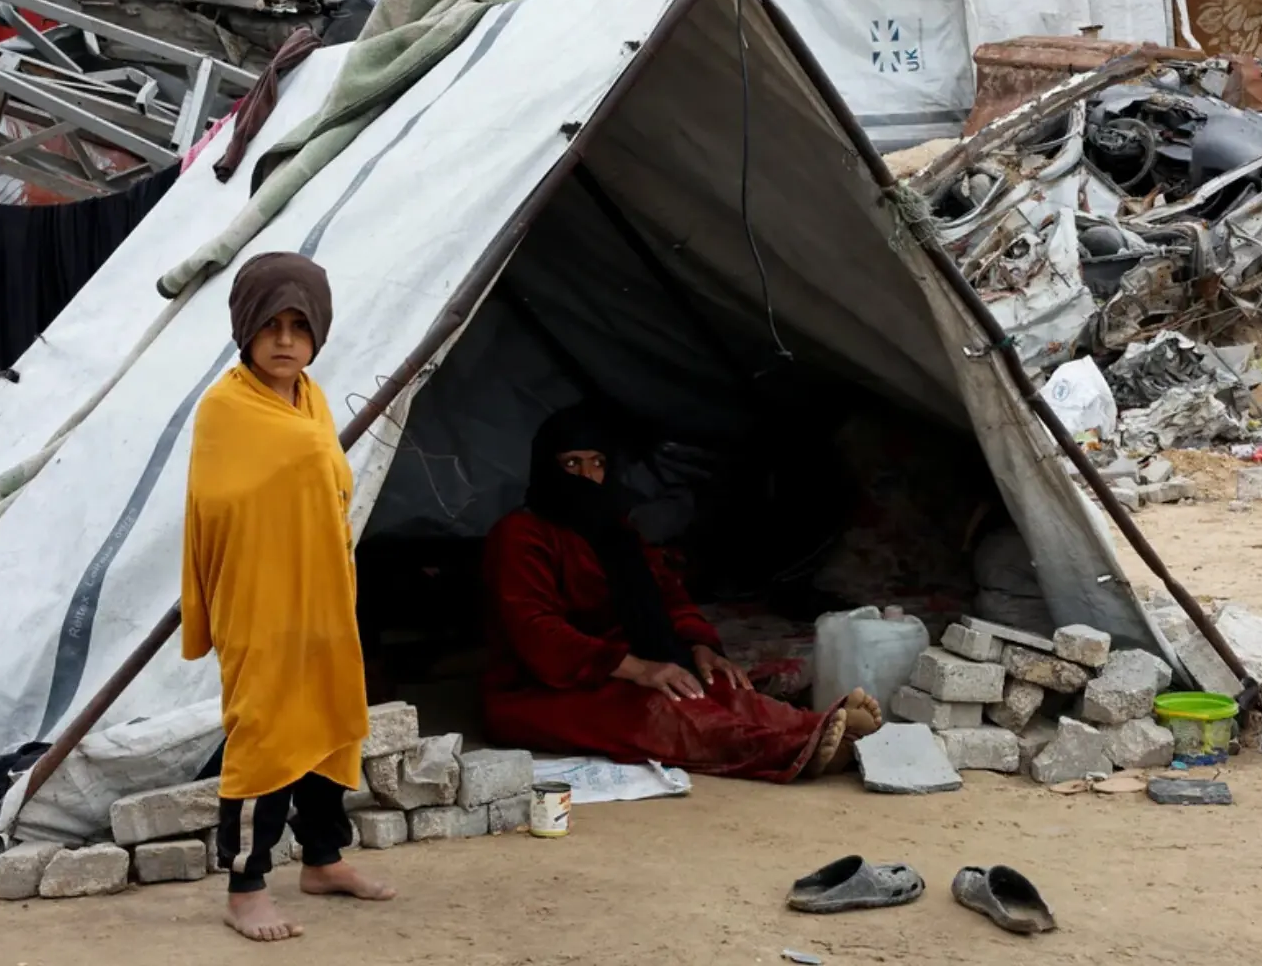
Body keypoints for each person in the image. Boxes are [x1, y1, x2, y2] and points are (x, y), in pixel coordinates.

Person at [481, 405, 881, 782]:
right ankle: (795, 751)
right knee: (661, 710)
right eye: (572, 463)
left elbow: (668, 595)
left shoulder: (617, 532)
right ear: (548, 468)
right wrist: (639, 669)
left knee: (717, 687)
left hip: (622, 668)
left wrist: (698, 645)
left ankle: (818, 728)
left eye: (597, 463)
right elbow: (538, 633)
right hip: (539, 691)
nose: (587, 476)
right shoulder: (519, 536)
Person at [181, 252, 393, 942]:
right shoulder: (226, 408)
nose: (284, 340)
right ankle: (246, 886)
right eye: (270, 324)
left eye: (300, 326)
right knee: (267, 731)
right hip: (261, 598)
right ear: (246, 327)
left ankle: (323, 860)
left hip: (323, 595)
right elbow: (217, 504)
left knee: (330, 718)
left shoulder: (314, 396)